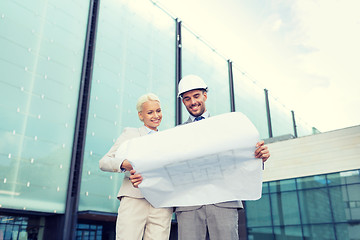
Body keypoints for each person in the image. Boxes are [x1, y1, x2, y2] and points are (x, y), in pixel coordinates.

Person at [131, 75, 270, 240]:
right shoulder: (176, 135)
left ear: (205, 95)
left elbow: (239, 157)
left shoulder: (228, 127)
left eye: (196, 96)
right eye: (187, 98)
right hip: (189, 206)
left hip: (223, 202)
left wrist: (258, 158)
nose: (192, 102)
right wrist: (144, 177)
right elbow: (166, 167)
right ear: (183, 102)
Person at [99, 93, 173, 240]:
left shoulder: (168, 139)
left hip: (161, 204)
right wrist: (124, 164)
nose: (156, 115)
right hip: (134, 199)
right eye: (150, 112)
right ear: (141, 115)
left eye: (158, 111)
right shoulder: (130, 134)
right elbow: (104, 162)